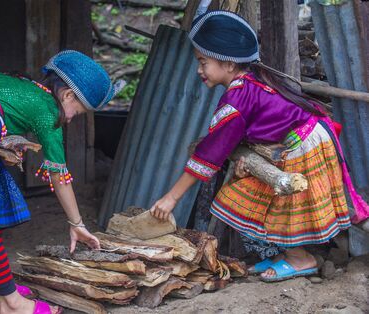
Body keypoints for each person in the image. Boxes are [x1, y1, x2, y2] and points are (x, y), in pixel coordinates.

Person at [150, 11, 369, 282]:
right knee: (244, 198)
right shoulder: (247, 85)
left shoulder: (237, 101)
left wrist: (171, 197)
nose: (199, 70)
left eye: (203, 62)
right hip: (293, 144)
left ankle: (301, 260)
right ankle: (285, 255)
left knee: (284, 206)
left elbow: (209, 155)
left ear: (229, 64)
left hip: (304, 145)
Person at [0, 50, 124, 313]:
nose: (72, 118)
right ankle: (14, 305)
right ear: (68, 95)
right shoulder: (48, 111)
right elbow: (59, 176)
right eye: (78, 111)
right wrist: (77, 224)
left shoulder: (25, 86)